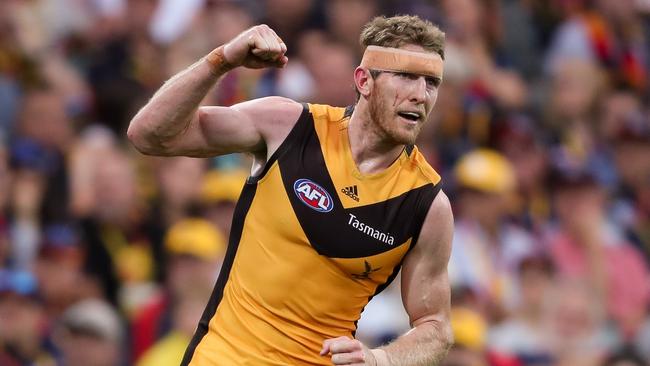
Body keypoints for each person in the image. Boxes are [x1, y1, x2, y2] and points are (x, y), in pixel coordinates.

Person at [128, 15, 454, 366]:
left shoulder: (426, 204)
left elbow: (436, 328)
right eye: (406, 76)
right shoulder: (288, 127)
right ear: (364, 81)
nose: (420, 95)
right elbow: (149, 134)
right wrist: (221, 60)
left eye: (431, 83)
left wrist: (380, 359)